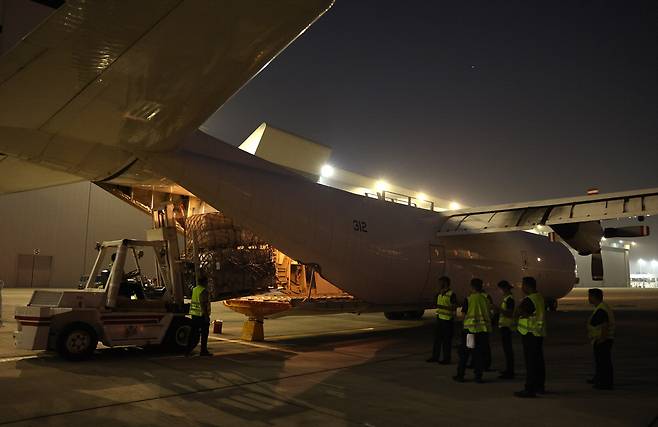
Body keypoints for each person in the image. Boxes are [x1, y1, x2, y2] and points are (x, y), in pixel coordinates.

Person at [453, 278, 492, 383]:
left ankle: (460, 375)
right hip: (483, 331)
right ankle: (478, 377)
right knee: (479, 354)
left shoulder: (469, 299)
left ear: (472, 286)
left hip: (470, 331)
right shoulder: (486, 298)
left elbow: (463, 314)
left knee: (465, 353)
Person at [514, 276, 546, 398]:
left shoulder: (529, 300)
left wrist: (518, 311)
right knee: (538, 362)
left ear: (527, 286)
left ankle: (530, 389)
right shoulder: (539, 297)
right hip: (538, 332)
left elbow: (519, 312)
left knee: (531, 363)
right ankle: (540, 386)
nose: (522, 288)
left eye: (523, 285)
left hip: (530, 334)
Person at [587, 288, 615, 390]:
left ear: (594, 297)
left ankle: (605, 383)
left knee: (604, 362)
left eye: (590, 296)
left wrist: (602, 338)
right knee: (601, 362)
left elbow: (605, 325)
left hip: (603, 340)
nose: (588, 299)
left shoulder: (601, 310)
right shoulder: (601, 307)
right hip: (602, 339)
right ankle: (600, 379)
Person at [427, 276, 457, 364]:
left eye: (440, 283)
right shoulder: (439, 294)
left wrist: (441, 307)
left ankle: (446, 359)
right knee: (437, 339)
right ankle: (435, 357)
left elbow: (454, 307)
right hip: (439, 319)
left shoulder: (452, 294)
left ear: (445, 283)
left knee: (446, 341)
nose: (439, 284)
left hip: (448, 320)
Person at [189, 276, 212, 356]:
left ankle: (187, 350)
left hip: (194, 314)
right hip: (201, 315)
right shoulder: (204, 291)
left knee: (193, 333)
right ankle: (203, 350)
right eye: (207, 282)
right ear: (204, 282)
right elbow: (203, 304)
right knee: (204, 333)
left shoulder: (195, 289)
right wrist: (206, 316)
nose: (208, 283)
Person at [496, 280, 515, 379]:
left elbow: (509, 313)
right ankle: (509, 370)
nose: (500, 291)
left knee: (508, 350)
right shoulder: (506, 298)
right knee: (507, 350)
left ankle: (510, 371)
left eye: (501, 289)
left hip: (506, 327)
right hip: (504, 327)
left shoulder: (509, 299)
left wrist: (498, 309)